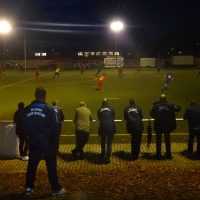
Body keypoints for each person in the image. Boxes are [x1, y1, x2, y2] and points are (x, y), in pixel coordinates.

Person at [22, 87, 65, 196]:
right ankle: (55, 188)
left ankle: (28, 187)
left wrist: (29, 138)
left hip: (34, 143)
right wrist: (53, 143)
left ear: (35, 95)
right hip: (47, 143)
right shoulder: (49, 109)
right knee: (51, 167)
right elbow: (56, 128)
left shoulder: (26, 109)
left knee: (32, 166)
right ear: (44, 96)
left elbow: (23, 126)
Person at [150, 94, 181, 159]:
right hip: (167, 125)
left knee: (158, 140)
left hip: (158, 125)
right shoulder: (170, 105)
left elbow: (151, 114)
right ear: (166, 99)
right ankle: (168, 154)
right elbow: (178, 108)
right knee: (167, 140)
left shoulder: (156, 106)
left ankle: (158, 154)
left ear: (160, 99)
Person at [97, 99, 116, 163]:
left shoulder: (99, 109)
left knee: (103, 142)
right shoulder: (111, 108)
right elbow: (113, 117)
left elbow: (99, 118)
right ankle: (108, 157)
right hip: (111, 127)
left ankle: (102, 155)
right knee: (109, 143)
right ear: (107, 103)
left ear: (102, 104)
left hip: (103, 127)